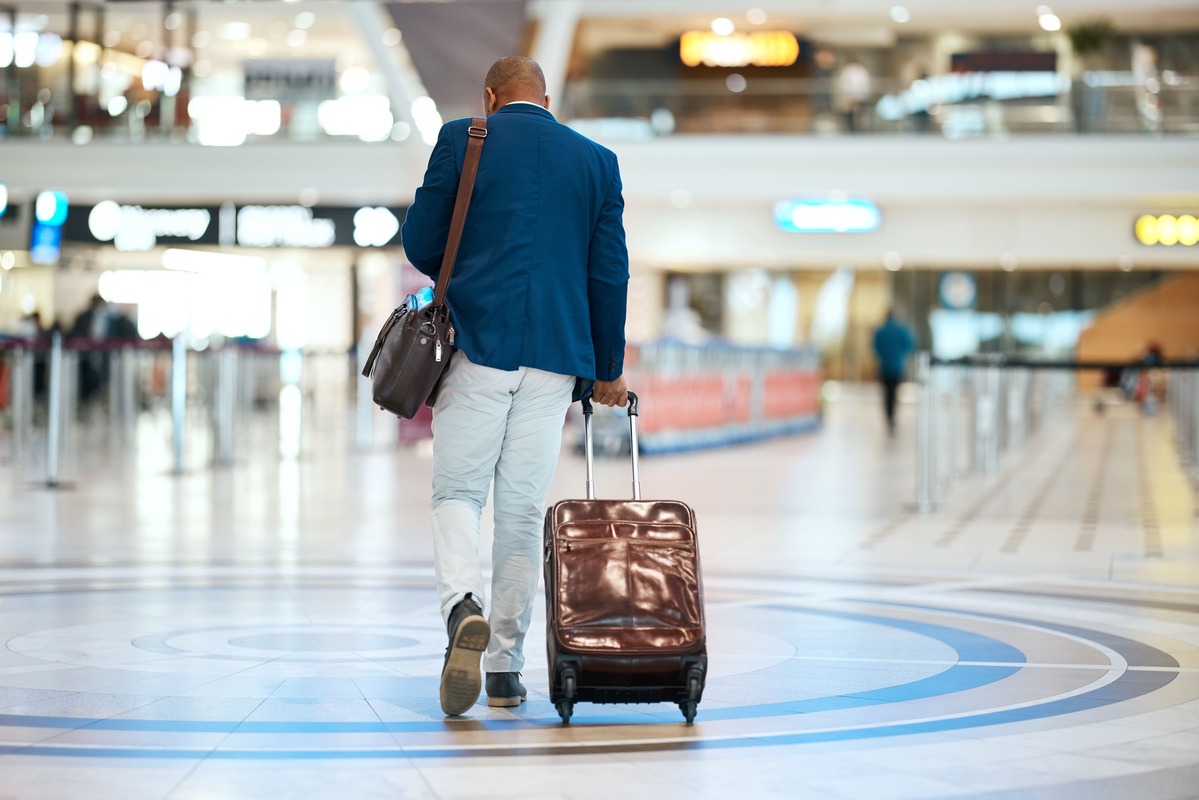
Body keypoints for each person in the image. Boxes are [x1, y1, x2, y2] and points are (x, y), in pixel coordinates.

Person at [400, 56, 630, 716]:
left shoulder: (462, 138)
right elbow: (608, 275)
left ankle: (459, 608)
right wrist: (606, 370)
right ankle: (504, 668)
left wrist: (470, 261)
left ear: (491, 96)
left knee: (459, 490)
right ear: (548, 99)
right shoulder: (595, 161)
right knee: (522, 511)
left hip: (479, 344)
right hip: (556, 358)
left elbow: (420, 241)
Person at [872, 309, 915, 435]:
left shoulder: (880, 331)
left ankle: (888, 417)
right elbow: (908, 346)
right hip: (897, 367)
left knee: (886, 394)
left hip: (884, 367)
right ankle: (892, 418)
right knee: (894, 394)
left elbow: (876, 348)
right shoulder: (901, 330)